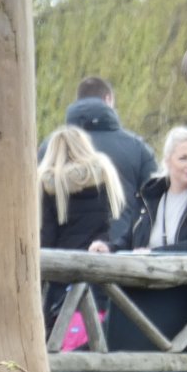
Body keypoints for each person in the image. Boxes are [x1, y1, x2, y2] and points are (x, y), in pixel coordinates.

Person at [90, 126, 187, 351]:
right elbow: (131, 239)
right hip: (140, 288)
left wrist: (154, 255)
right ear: (168, 160)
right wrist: (109, 247)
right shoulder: (150, 195)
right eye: (184, 158)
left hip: (181, 292)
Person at [38, 125, 126, 341]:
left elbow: (47, 239)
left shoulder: (50, 185)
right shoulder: (104, 178)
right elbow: (111, 227)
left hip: (62, 277)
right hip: (98, 273)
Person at [45, 76, 156, 245]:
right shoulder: (138, 148)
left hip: (57, 257)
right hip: (118, 250)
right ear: (108, 99)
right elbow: (153, 201)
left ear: (78, 100)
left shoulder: (50, 149)